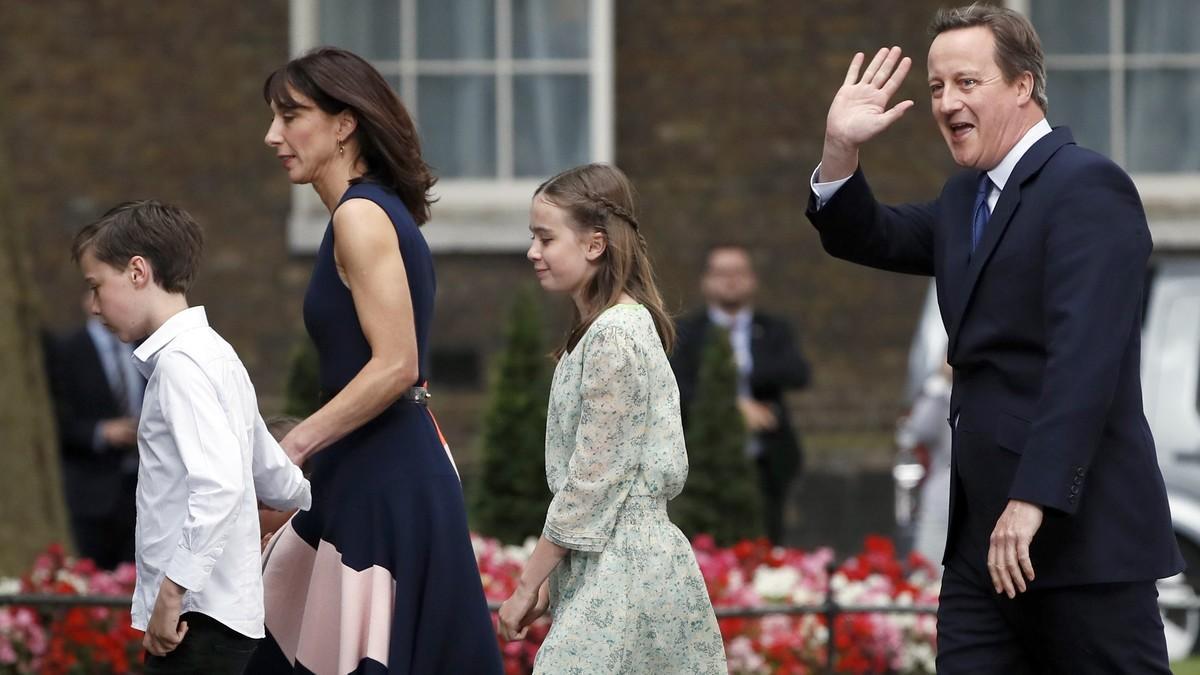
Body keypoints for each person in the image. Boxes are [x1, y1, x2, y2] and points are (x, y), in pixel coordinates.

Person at [805, 5, 1182, 672]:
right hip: (981, 548)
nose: (946, 102)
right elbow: (869, 233)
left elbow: (1084, 361)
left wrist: (1034, 497)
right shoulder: (964, 199)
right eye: (936, 88)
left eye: (966, 83)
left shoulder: (1087, 186)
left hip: (1081, 541)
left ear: (1021, 85)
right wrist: (841, 148)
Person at [250, 47, 503, 674]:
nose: (273, 135)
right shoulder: (361, 215)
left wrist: (294, 445)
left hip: (384, 474)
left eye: (291, 115)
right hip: (371, 468)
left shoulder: (361, 217)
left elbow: (396, 366)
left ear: (344, 124)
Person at [497, 163, 726, 673]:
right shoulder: (608, 330)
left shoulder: (615, 337)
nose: (533, 252)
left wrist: (527, 584)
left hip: (624, 568)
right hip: (614, 563)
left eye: (545, 238)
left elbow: (592, 483)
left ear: (594, 245)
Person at [71, 200, 312, 675]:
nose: (94, 306)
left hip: (197, 618)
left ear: (138, 271)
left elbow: (221, 485)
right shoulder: (217, 354)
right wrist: (316, 501)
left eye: (97, 286)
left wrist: (171, 592)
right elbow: (272, 473)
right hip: (222, 614)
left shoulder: (181, 365)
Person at [671, 244, 811, 545]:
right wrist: (732, 406)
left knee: (768, 540)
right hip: (703, 462)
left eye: (738, 273)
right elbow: (676, 387)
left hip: (764, 458)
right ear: (706, 281)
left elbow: (798, 373)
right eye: (722, 273)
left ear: (752, 279)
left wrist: (745, 369)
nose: (730, 281)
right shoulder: (687, 332)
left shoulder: (773, 329)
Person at [45, 293, 146, 569]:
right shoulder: (66, 350)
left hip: (142, 490)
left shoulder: (144, 348)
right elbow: (56, 421)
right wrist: (102, 432)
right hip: (90, 492)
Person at [895, 361, 952, 569]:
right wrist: (940, 381)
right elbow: (918, 431)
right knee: (930, 571)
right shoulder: (941, 393)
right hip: (941, 500)